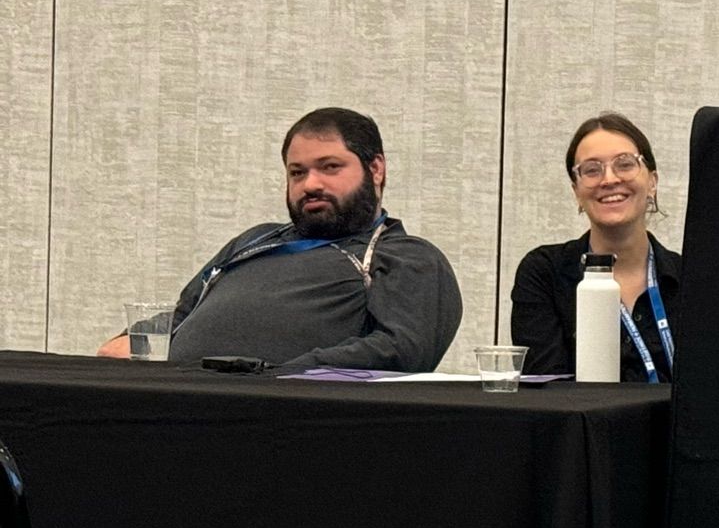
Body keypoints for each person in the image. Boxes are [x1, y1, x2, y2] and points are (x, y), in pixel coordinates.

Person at [97, 107, 462, 372]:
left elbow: (401, 351)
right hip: (169, 401)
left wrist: (273, 372)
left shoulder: (405, 257)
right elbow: (183, 314)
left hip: (291, 419)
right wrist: (135, 338)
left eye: (330, 167)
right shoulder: (255, 240)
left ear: (376, 169)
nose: (311, 184)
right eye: (297, 172)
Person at [510, 113, 680, 383]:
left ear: (652, 182)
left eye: (625, 164)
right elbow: (549, 390)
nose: (609, 179)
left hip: (678, 426)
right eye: (591, 170)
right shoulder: (544, 273)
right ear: (576, 191)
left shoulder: (693, 278)